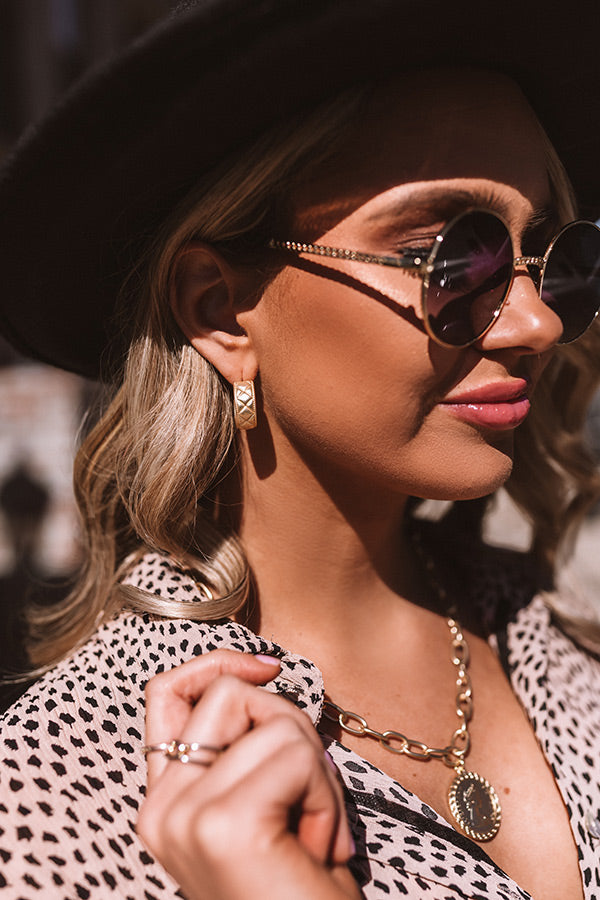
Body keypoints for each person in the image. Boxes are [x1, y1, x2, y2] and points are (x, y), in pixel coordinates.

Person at [1, 2, 600, 898]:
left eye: (556, 256)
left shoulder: (558, 636)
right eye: (453, 259)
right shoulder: (63, 787)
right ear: (218, 311)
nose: (538, 320)